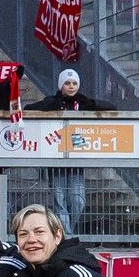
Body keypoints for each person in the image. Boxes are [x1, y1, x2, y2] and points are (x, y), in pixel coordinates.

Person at [31, 69, 110, 235]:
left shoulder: (83, 102)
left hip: (76, 159)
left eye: (74, 83)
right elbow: (29, 108)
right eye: (67, 83)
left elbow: (111, 107)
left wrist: (91, 103)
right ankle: (68, 237)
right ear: (61, 86)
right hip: (56, 158)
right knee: (60, 201)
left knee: (77, 201)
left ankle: (67, 233)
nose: (71, 86)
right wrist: (47, 106)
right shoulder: (52, 102)